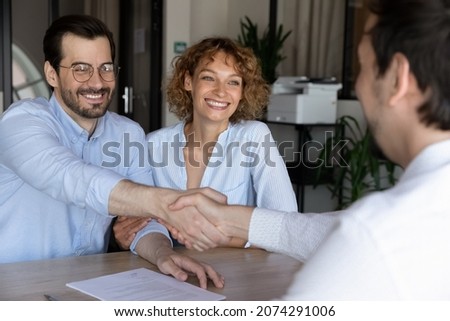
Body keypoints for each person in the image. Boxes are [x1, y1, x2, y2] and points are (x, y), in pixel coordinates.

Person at [168, 0, 450, 299]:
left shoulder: (374, 234)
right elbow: (311, 230)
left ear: (398, 78)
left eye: (362, 68)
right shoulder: (400, 220)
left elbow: (346, 236)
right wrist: (223, 219)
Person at [0, 14, 225, 289]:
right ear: (51, 74)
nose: (97, 82)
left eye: (105, 68)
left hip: (89, 285)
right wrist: (168, 203)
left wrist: (163, 253)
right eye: (81, 69)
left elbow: (142, 224)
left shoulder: (128, 134)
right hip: (14, 287)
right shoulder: (20, 122)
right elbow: (71, 178)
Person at [115, 37, 297, 248]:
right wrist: (126, 237)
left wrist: (226, 239)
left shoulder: (254, 136)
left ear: (242, 92)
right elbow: (136, 226)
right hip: (170, 271)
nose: (221, 91)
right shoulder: (152, 145)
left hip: (238, 273)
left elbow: (286, 226)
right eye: (209, 78)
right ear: (188, 81)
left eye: (233, 82)